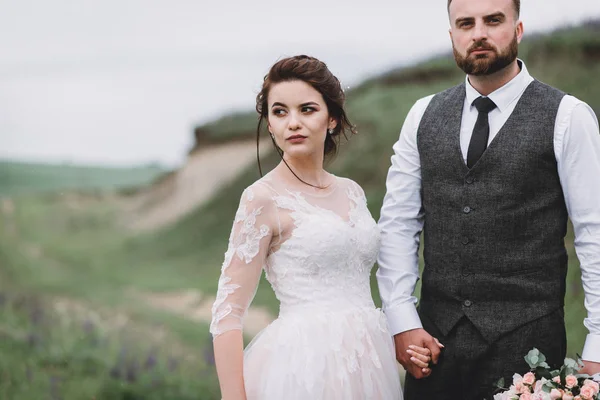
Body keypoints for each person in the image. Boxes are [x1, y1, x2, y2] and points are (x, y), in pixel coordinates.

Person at [376, 0, 600, 398]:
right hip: (433, 345)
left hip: (530, 348)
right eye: (465, 23)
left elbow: (594, 232)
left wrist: (598, 345)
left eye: (493, 20)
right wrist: (402, 319)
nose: (478, 32)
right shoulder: (422, 115)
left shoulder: (568, 116)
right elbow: (398, 223)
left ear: (517, 29)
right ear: (452, 36)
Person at [209, 55, 429, 400]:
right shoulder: (262, 198)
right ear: (269, 125)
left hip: (368, 361)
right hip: (305, 366)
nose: (292, 123)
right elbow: (228, 311)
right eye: (279, 112)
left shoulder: (352, 191)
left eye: (307, 109)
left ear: (332, 119)